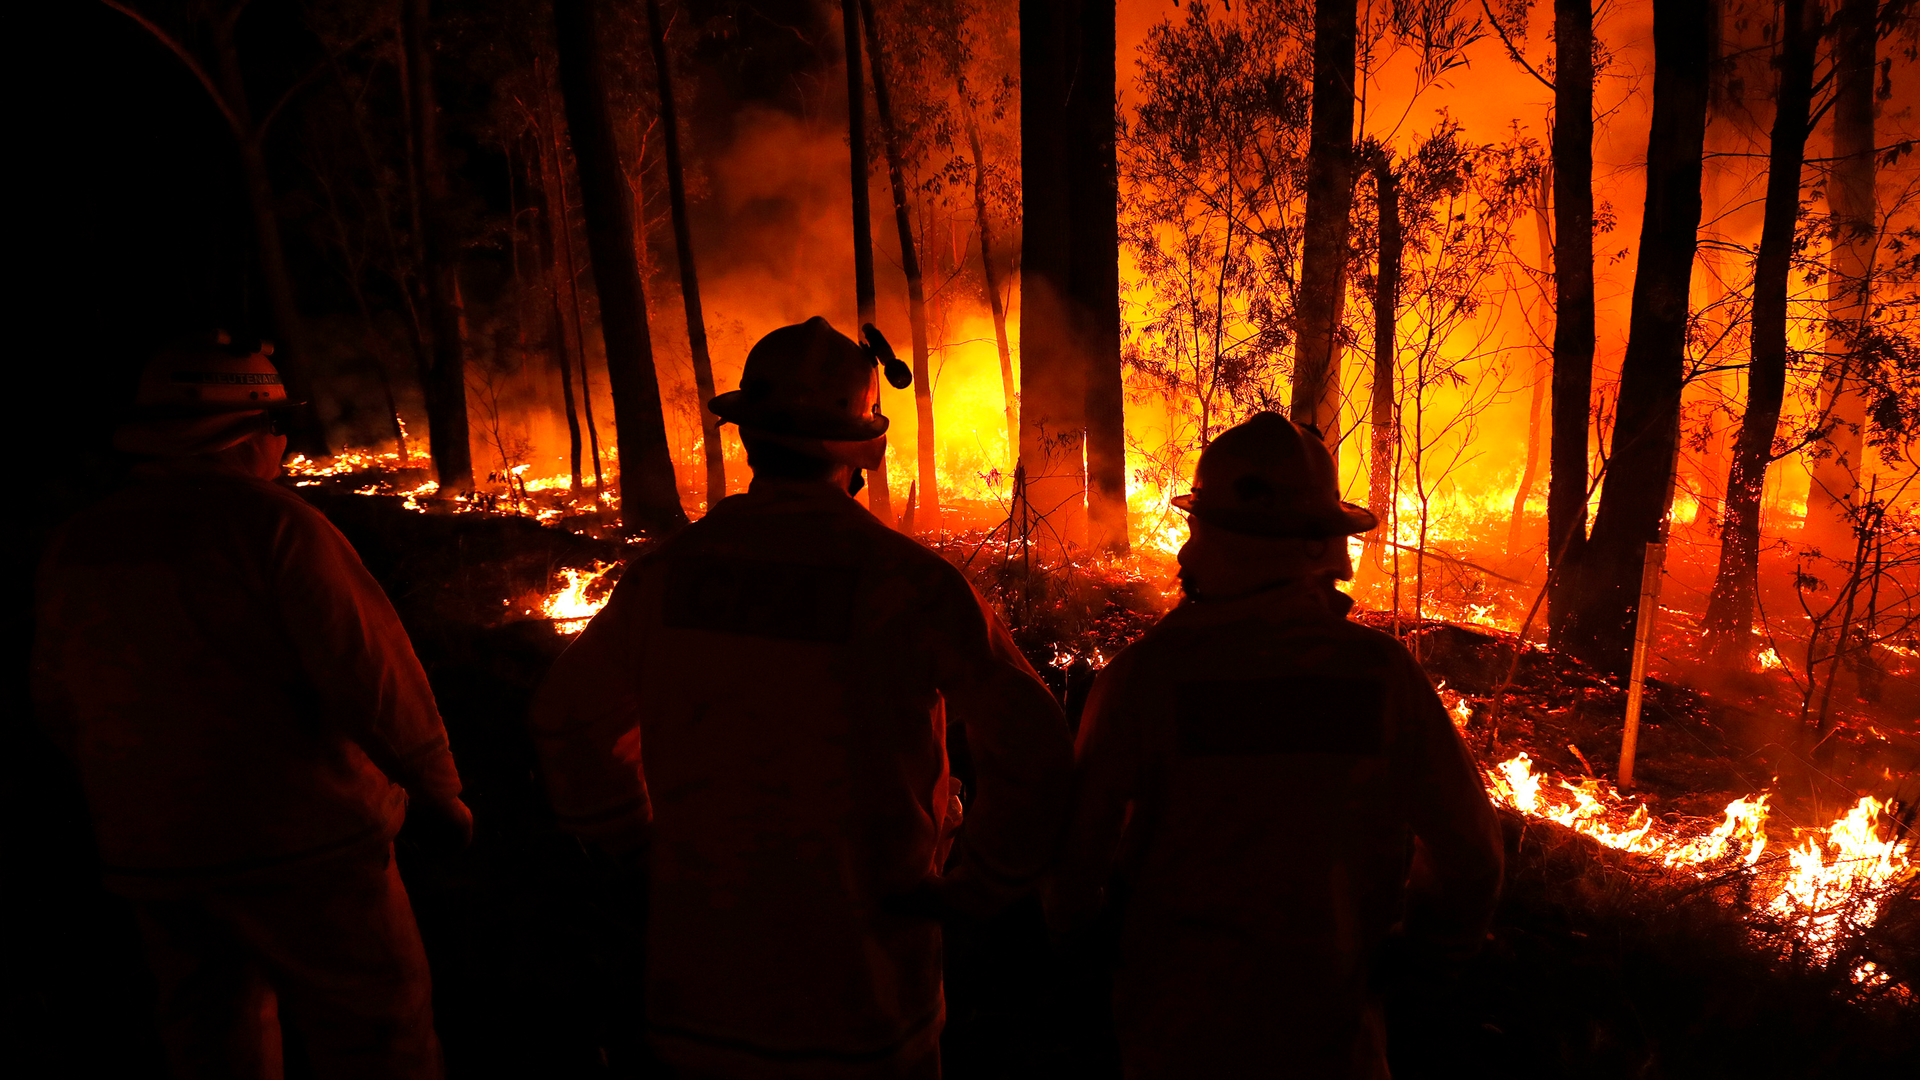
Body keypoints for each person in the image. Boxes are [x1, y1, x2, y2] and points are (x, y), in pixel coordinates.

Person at [531, 316, 1072, 1080]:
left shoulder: (668, 576)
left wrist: (634, 842)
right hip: (868, 997)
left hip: (704, 993)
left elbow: (569, 715)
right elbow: (1034, 748)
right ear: (863, 449)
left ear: (747, 437)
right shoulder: (908, 584)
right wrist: (978, 885)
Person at [31, 334, 469, 1080]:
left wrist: (133, 793)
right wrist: (438, 788)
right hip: (305, 846)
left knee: (214, 1046)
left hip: (156, 856)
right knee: (376, 1036)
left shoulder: (80, 541)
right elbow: (370, 671)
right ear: (246, 433)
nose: (284, 444)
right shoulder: (272, 523)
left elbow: (56, 698)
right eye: (277, 427)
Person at [1046, 412, 1503, 1080]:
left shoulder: (1145, 678)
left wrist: (1090, 974)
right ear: (1323, 547)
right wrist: (1420, 963)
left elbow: (1074, 869)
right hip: (1333, 1042)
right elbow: (1472, 855)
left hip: (1175, 1039)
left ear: (1204, 537)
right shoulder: (1382, 677)